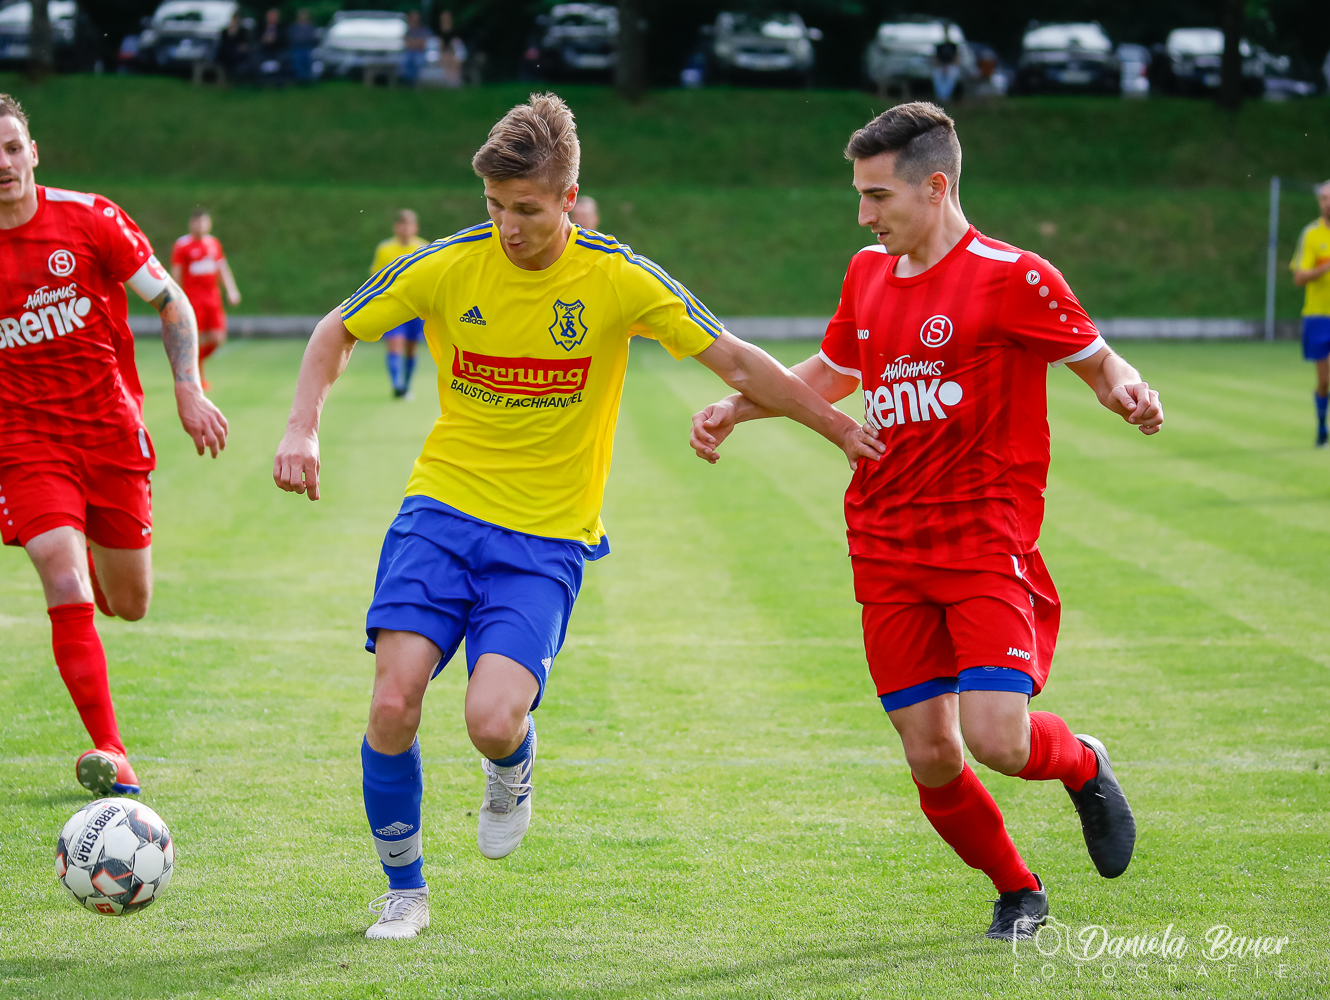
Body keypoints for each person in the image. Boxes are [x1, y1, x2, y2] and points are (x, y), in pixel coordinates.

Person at [273, 93, 879, 940]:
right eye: (494, 205)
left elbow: (739, 361)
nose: (506, 227)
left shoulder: (618, 279)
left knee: (491, 721)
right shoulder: (448, 264)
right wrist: (302, 426)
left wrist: (839, 428)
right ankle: (405, 890)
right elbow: (335, 330)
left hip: (545, 539)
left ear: (568, 198)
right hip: (441, 510)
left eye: (526, 209)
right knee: (392, 704)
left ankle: (512, 762)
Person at [690, 102, 1161, 941]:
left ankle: (1083, 762)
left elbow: (1097, 361)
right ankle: (1018, 891)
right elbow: (833, 371)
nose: (863, 215)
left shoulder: (1014, 276)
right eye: (860, 195)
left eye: (878, 196)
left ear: (935, 187)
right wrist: (740, 405)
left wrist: (1126, 389)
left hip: (982, 540)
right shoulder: (868, 273)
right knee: (932, 755)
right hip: (885, 543)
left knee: (998, 740)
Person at [0, 93, 229, 799]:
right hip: (24, 442)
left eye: (12, 148)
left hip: (109, 430)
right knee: (61, 574)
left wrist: (188, 388)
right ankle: (111, 749)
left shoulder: (90, 218)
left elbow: (169, 300)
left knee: (129, 602)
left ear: (33, 152)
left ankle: (98, 576)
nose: (3, 163)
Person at [170, 207, 241, 391]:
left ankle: (191, 366)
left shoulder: (213, 243)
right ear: (191, 223)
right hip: (194, 299)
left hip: (213, 298)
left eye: (204, 221)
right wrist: (176, 298)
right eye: (197, 222)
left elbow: (222, 268)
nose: (200, 225)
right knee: (198, 338)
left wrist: (231, 290)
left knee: (218, 337)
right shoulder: (182, 245)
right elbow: (176, 273)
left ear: (209, 223)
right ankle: (198, 377)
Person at [369, 209, 428, 397]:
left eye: (408, 225)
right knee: (394, 343)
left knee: (411, 347)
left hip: (415, 308)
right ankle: (397, 386)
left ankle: (406, 386)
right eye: (402, 225)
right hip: (393, 305)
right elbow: (377, 277)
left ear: (415, 228)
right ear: (396, 227)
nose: (405, 229)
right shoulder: (385, 249)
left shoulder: (423, 248)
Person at [1291, 180, 1330, 446]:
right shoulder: (1311, 234)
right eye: (1324, 198)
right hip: (1318, 316)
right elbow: (1299, 277)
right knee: (1324, 380)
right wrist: (1325, 267)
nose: (1328, 203)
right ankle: (1321, 426)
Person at [218, 13, 253, 82]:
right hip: (226, 51)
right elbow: (223, 43)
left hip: (238, 52)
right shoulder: (225, 31)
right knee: (225, 54)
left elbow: (245, 43)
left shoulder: (243, 31)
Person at [399, 10, 429, 86]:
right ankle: (407, 80)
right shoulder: (407, 30)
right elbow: (406, 43)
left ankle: (413, 82)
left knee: (416, 60)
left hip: (420, 53)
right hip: (409, 52)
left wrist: (412, 42)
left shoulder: (423, 29)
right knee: (406, 60)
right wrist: (416, 42)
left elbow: (422, 44)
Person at [436, 9, 464, 88]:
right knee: (445, 59)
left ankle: (453, 82)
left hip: (453, 54)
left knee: (454, 60)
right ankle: (447, 82)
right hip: (441, 55)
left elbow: (459, 48)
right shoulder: (436, 34)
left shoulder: (456, 34)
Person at [257, 8, 286, 85]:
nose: (271, 18)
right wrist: (263, 39)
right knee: (257, 59)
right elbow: (256, 38)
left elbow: (284, 40)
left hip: (277, 50)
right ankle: (261, 81)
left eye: (273, 16)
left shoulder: (281, 27)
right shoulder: (261, 27)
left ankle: (278, 81)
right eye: (270, 16)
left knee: (281, 59)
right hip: (264, 50)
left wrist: (274, 39)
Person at [289, 8, 317, 84]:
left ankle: (307, 79)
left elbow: (313, 38)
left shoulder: (310, 27)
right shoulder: (294, 27)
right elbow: (291, 38)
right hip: (297, 48)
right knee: (297, 62)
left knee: (307, 61)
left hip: (307, 48)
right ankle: (299, 78)